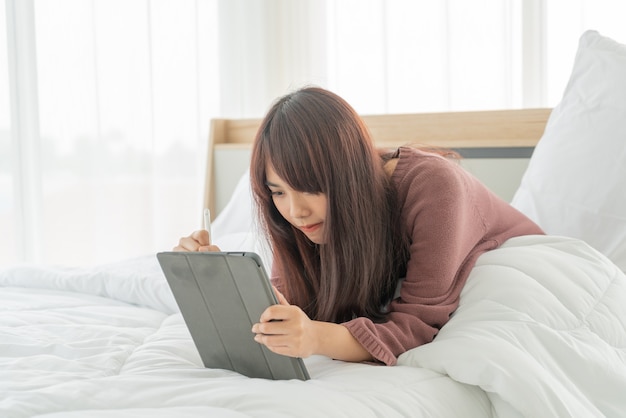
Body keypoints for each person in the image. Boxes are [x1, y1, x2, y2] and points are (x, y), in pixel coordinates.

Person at [174, 86, 544, 366]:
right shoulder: (299, 220)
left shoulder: (434, 186)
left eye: (309, 186)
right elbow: (292, 302)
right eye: (278, 192)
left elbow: (417, 325)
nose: (296, 211)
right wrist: (216, 280)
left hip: (530, 274)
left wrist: (317, 338)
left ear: (346, 174)